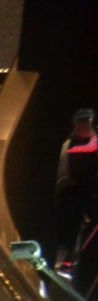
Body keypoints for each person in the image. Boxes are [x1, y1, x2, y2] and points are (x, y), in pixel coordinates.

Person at [54, 108, 97, 269]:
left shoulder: (88, 142)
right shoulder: (69, 144)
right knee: (72, 228)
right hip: (74, 193)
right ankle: (70, 261)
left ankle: (74, 261)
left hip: (85, 193)